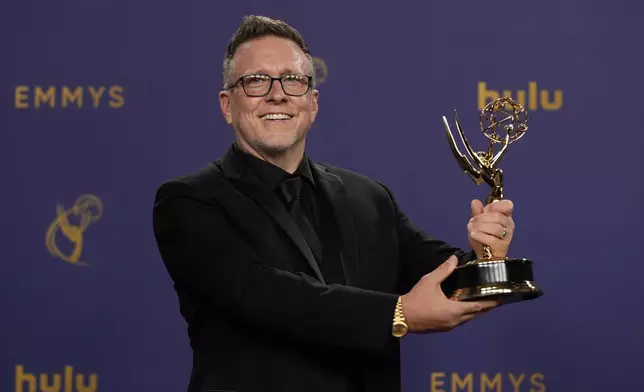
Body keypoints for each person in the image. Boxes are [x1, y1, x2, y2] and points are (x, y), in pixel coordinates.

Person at [152, 15, 515, 392]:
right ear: (227, 105)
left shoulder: (369, 197)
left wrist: (488, 258)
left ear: (313, 103)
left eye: (293, 80)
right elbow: (266, 295)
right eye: (256, 80)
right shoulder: (188, 201)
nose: (277, 94)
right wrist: (398, 313)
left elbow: (442, 276)